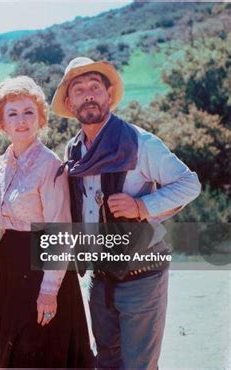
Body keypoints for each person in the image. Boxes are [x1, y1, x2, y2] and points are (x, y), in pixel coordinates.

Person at [51, 57, 202, 369]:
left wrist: (141, 207)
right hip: (101, 277)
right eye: (79, 90)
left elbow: (189, 183)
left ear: (108, 94)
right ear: (69, 102)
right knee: (106, 362)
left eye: (95, 87)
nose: (88, 94)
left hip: (142, 276)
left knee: (138, 366)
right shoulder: (74, 150)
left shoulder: (139, 142)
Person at [0, 76, 93, 368]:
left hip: (43, 268)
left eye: (29, 112)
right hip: (9, 266)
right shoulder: (1, 165)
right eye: (12, 114)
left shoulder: (49, 165)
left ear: (40, 117)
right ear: (1, 122)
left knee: (38, 349)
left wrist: (48, 291)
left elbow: (61, 232)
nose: (21, 121)